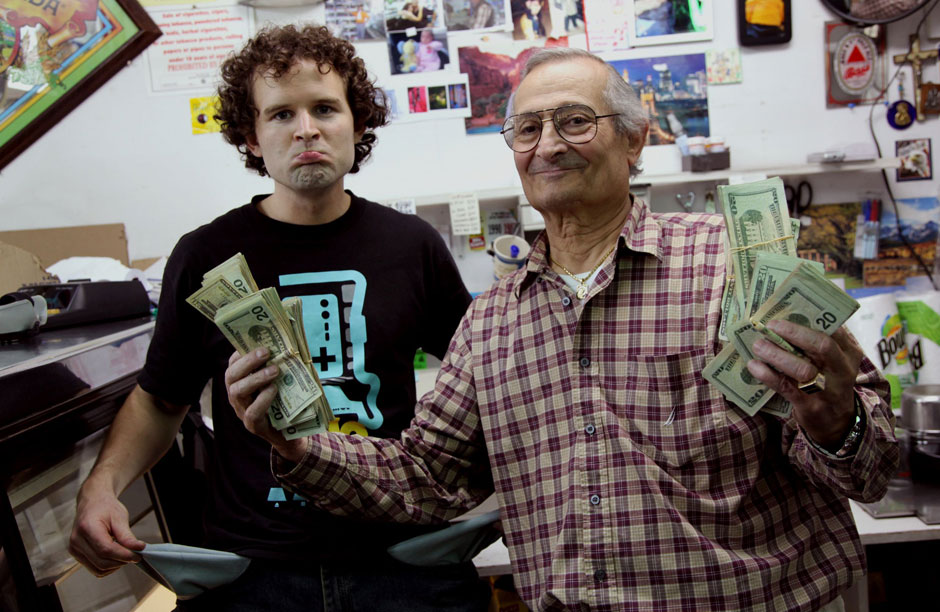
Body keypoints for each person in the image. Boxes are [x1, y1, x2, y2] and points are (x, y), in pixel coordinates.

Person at [227, 47, 899, 611]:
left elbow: (871, 472)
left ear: (636, 138)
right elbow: (424, 479)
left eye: (575, 121)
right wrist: (294, 443)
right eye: (527, 129)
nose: (547, 145)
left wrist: (837, 420)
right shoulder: (492, 321)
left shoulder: (737, 268)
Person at [68, 23, 488, 612]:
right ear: (251, 137)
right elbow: (162, 399)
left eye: (324, 108)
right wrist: (102, 486)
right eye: (281, 114)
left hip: (401, 562)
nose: (307, 129)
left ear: (358, 123)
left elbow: (486, 382)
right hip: (254, 573)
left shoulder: (412, 246)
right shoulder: (205, 254)